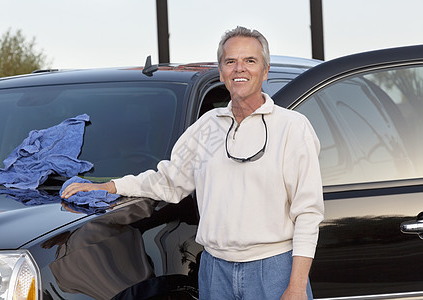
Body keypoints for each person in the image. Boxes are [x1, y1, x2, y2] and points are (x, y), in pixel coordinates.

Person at [62, 26, 324, 299]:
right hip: (215, 269)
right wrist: (110, 186)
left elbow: (308, 213)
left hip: (273, 269)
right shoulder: (208, 127)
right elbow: (168, 181)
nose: (239, 69)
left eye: (250, 61)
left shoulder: (292, 128)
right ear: (221, 72)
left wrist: (295, 286)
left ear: (265, 70)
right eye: (230, 61)